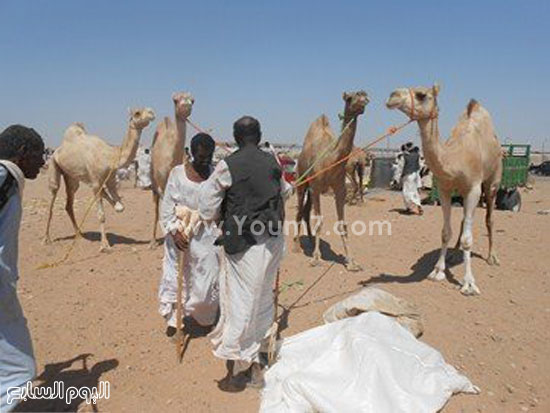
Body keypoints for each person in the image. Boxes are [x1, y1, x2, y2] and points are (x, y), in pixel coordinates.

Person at [198, 116, 291, 391]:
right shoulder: (273, 163)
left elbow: (205, 207)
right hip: (272, 243)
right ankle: (259, 363)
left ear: (236, 137)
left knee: (240, 304)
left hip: (243, 246)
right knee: (262, 300)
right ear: (260, 135)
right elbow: (285, 192)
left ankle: (240, 369)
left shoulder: (228, 165)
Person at [158, 134, 221, 337]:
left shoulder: (215, 175)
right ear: (191, 153)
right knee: (176, 277)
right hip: (180, 234)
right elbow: (167, 207)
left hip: (206, 235)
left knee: (206, 278)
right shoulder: (177, 174)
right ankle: (175, 321)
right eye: (200, 157)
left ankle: (204, 316)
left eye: (208, 157)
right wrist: (175, 231)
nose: (205, 161)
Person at [0, 125, 45, 411]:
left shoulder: (9, 183)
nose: (43, 162)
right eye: (39, 155)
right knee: (21, 371)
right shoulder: (3, 178)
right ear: (23, 153)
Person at [401, 143, 423, 215]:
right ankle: (414, 206)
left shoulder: (404, 156)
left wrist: (398, 178)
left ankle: (413, 206)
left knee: (406, 192)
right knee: (414, 191)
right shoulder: (417, 155)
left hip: (407, 175)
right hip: (415, 175)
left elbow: (401, 168)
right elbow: (420, 165)